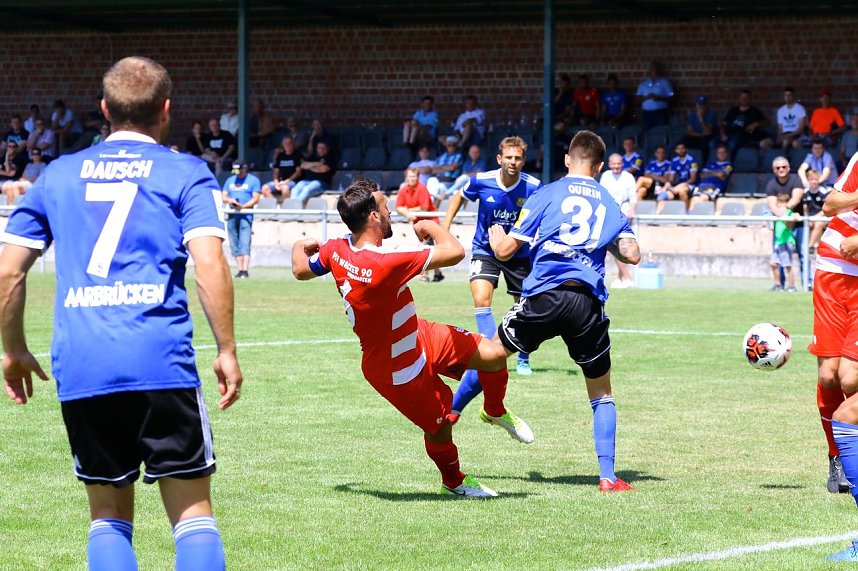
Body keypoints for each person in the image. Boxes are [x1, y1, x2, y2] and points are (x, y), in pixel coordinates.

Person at [0, 56, 242, 570]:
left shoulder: (58, 174)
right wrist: (226, 349)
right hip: (161, 360)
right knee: (193, 515)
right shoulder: (185, 171)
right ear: (167, 110)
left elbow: (8, 272)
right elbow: (209, 262)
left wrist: (13, 348)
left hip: (84, 364)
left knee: (107, 515)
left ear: (104, 109)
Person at [291, 178, 533, 498]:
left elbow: (300, 270)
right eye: (385, 205)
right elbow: (455, 251)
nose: (391, 209)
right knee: (439, 427)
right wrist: (431, 226)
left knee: (494, 355)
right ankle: (454, 482)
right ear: (374, 217)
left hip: (417, 332)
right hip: (394, 365)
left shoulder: (336, 249)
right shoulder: (385, 263)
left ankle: (494, 410)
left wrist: (299, 246)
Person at [487, 130, 640, 492]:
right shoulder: (609, 201)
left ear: (568, 160)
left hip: (545, 295)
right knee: (601, 393)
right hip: (586, 303)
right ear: (601, 166)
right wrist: (605, 242)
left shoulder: (547, 193)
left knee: (489, 353)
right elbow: (632, 254)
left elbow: (507, 250)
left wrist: (496, 239)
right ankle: (607, 477)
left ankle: (456, 413)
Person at [442, 135, 541, 418]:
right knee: (481, 297)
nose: (513, 162)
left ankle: (522, 357)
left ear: (523, 160)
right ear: (499, 158)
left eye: (518, 158)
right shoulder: (481, 180)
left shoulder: (533, 187)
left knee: (523, 306)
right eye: (508, 157)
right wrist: (445, 228)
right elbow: (458, 197)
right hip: (484, 250)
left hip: (518, 254)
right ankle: (489, 348)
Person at [808, 150, 858, 514]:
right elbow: (830, 204)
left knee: (851, 378)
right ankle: (836, 458)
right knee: (828, 375)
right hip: (828, 275)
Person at [395, 166, 443, 282]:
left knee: (426, 248)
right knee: (432, 249)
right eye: (410, 176)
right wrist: (406, 213)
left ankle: (425, 275)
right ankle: (438, 274)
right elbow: (398, 207)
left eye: (414, 176)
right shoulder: (403, 190)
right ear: (406, 177)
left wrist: (409, 211)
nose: (412, 179)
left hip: (431, 222)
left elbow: (424, 208)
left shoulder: (422, 188)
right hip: (419, 225)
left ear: (418, 177)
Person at [599, 153, 637, 288]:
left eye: (619, 163)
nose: (616, 166)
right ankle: (623, 278)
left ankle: (626, 277)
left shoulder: (628, 177)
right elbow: (602, 195)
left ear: (622, 163)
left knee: (623, 245)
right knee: (614, 245)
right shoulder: (605, 176)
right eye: (614, 164)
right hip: (610, 214)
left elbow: (633, 196)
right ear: (609, 164)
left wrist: (632, 210)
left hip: (625, 214)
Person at [222, 162, 261, 278]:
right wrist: (230, 201)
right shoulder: (230, 180)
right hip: (232, 214)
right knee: (234, 242)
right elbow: (223, 195)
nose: (238, 175)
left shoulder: (253, 180)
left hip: (246, 214)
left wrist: (243, 207)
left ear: (245, 169)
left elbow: (256, 198)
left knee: (245, 241)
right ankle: (239, 269)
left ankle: (245, 269)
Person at [719, 89, 773, 160]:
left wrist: (756, 124)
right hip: (728, 134)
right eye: (742, 97)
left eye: (746, 97)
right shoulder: (733, 110)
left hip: (742, 135)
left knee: (733, 143)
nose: (744, 99)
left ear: (750, 99)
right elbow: (723, 123)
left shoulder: (754, 111)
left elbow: (767, 121)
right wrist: (722, 134)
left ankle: (729, 166)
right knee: (713, 143)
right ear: (739, 98)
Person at [768, 192, 800, 292]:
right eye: (779, 203)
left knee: (787, 265)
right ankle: (778, 285)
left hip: (786, 242)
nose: (780, 206)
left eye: (783, 203)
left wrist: (790, 217)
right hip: (779, 242)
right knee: (773, 264)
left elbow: (789, 225)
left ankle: (791, 286)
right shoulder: (777, 214)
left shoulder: (788, 213)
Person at [688, 144, 733, 210]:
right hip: (702, 185)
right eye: (719, 153)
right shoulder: (710, 164)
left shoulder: (729, 165)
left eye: (723, 152)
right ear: (716, 154)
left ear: (727, 153)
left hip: (715, 186)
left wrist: (709, 173)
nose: (721, 154)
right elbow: (702, 175)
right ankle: (690, 216)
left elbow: (722, 175)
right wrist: (716, 173)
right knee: (695, 198)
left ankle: (696, 215)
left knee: (703, 197)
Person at [292, 141, 335, 207]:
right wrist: (317, 163)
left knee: (307, 189)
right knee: (295, 189)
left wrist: (309, 167)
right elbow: (303, 165)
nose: (321, 149)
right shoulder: (313, 157)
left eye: (323, 148)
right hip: (307, 181)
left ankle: (295, 207)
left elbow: (323, 169)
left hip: (321, 183)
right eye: (319, 147)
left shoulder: (330, 157)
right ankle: (291, 207)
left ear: (327, 148)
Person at [261, 135, 303, 203]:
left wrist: (286, 182)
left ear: (293, 144)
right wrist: (276, 182)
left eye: (289, 143)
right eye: (285, 144)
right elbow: (276, 171)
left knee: (285, 188)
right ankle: (273, 207)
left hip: (293, 181)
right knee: (264, 188)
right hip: (281, 181)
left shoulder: (297, 155)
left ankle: (283, 208)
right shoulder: (280, 156)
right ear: (282, 145)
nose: (287, 145)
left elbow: (298, 172)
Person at [635, 61, 673, 131]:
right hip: (646, 113)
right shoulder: (643, 84)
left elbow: (672, 98)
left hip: (661, 112)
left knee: (662, 132)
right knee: (645, 132)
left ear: (659, 70)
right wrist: (646, 97)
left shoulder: (665, 82)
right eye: (652, 69)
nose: (654, 71)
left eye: (656, 69)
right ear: (649, 70)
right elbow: (637, 99)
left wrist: (660, 98)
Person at [635, 145, 673, 213]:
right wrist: (658, 177)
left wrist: (652, 175)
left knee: (641, 179)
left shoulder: (669, 164)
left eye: (662, 152)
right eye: (658, 152)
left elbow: (665, 180)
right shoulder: (651, 163)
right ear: (656, 153)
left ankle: (631, 193)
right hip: (651, 185)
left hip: (662, 186)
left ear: (665, 154)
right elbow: (646, 175)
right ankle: (639, 212)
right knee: (641, 190)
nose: (660, 154)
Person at [426, 136, 463, 205]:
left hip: (450, 182)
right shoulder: (441, 156)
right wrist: (447, 168)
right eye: (449, 145)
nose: (451, 147)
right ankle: (430, 205)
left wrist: (440, 168)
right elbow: (433, 170)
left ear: (456, 146)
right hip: (438, 180)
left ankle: (431, 206)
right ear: (446, 145)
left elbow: (452, 167)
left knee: (438, 188)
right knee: (431, 180)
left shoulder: (459, 155)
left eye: (453, 145)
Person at [682, 96, 717, 164]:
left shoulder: (711, 114)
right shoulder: (692, 114)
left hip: (708, 137)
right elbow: (689, 131)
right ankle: (681, 163)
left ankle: (704, 164)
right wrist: (699, 135)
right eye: (699, 104)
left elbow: (708, 132)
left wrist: (701, 118)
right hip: (697, 135)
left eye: (703, 104)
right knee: (683, 141)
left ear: (706, 105)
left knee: (705, 142)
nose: (701, 107)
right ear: (696, 105)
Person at [802, 169, 830, 251]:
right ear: (808, 180)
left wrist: (814, 218)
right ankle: (800, 245)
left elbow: (826, 209)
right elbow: (805, 207)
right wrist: (807, 218)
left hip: (823, 216)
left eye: (816, 179)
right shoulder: (806, 192)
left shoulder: (824, 192)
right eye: (811, 179)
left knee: (819, 223)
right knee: (805, 224)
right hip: (810, 217)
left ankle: (810, 246)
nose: (814, 182)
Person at [668, 142, 699, 212]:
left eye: (682, 148)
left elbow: (693, 179)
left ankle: (685, 213)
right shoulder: (674, 161)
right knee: (666, 194)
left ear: (686, 149)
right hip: (678, 185)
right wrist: (669, 186)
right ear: (675, 150)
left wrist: (681, 185)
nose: (681, 150)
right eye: (678, 149)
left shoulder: (692, 161)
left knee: (682, 191)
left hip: (691, 185)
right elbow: (671, 178)